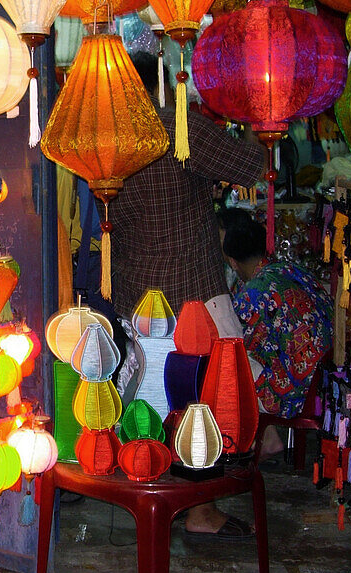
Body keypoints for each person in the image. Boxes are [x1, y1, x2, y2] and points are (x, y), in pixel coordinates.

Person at [109, 52, 265, 540]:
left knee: (148, 404)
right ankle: (198, 511)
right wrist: (262, 118)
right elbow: (250, 166)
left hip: (134, 296)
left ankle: (148, 499)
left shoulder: (103, 142)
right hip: (192, 296)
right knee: (208, 404)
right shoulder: (179, 130)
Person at [220, 208, 333, 419]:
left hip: (297, 394)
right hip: (326, 382)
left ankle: (255, 439)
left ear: (233, 262)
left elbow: (236, 339)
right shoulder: (292, 270)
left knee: (229, 361)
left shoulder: (254, 294)